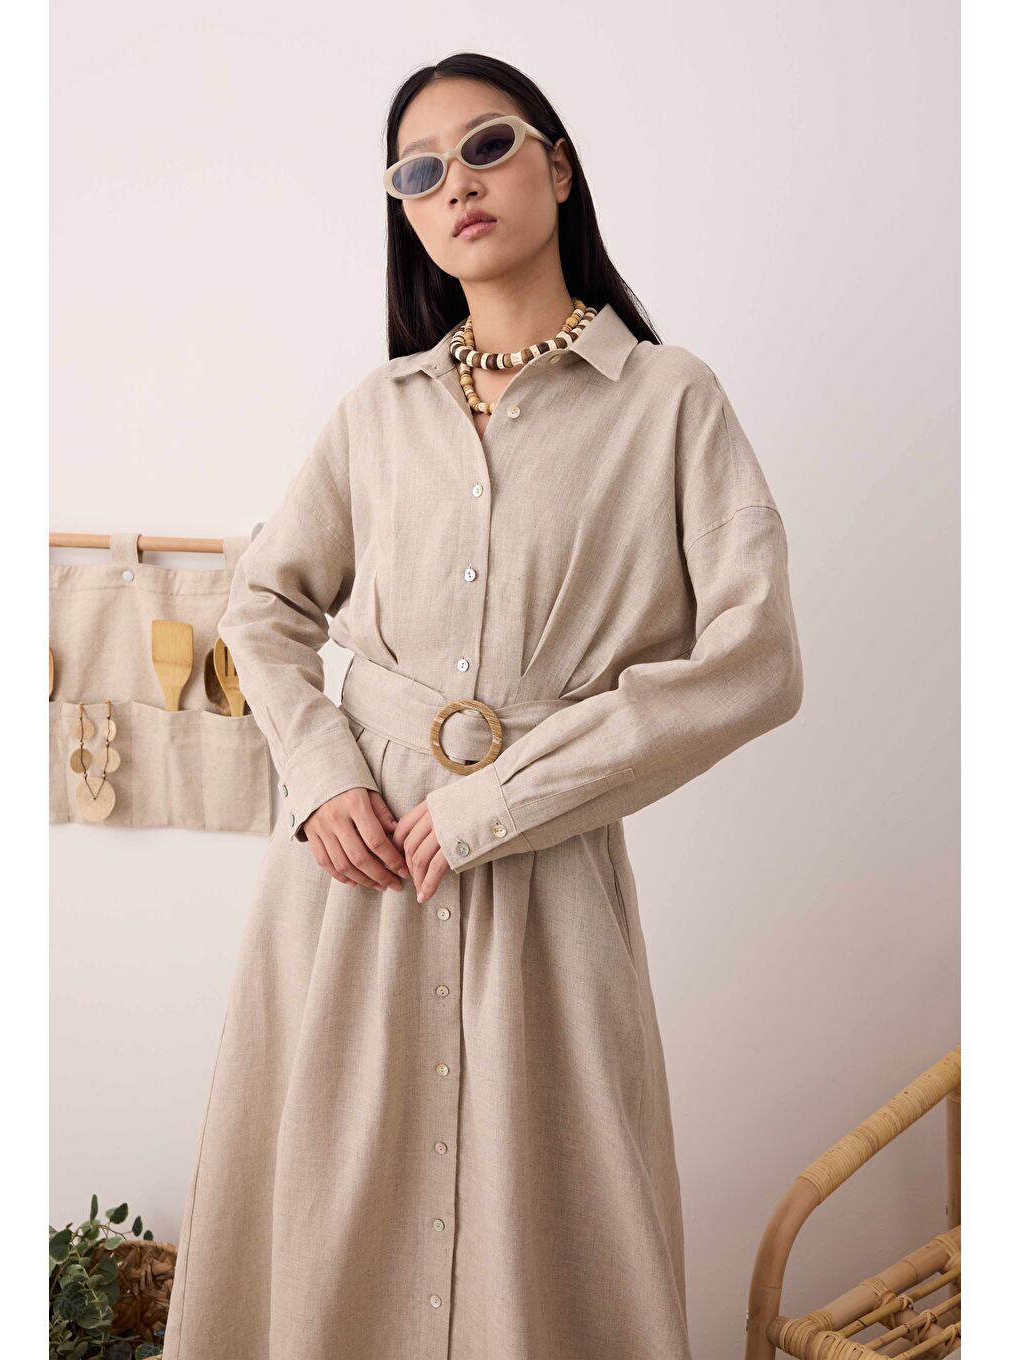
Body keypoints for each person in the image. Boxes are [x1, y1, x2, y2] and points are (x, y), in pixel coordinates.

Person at [162, 51, 803, 1360]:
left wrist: (499, 802)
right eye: (420, 170)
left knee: (553, 1215)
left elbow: (757, 658)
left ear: (557, 166)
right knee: (335, 1200)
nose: (456, 182)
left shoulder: (671, 401)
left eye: (488, 145)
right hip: (356, 880)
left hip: (549, 870)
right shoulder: (376, 412)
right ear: (404, 214)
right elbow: (262, 608)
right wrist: (325, 779)